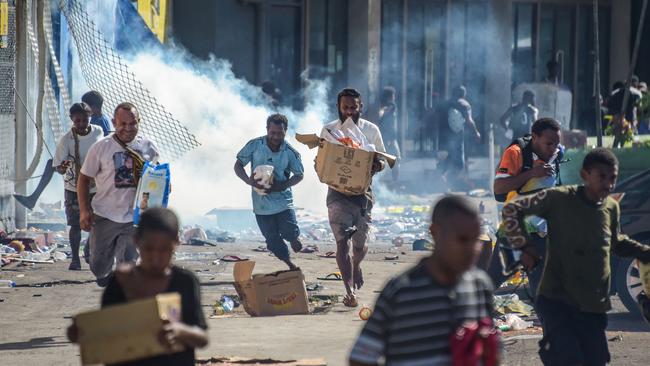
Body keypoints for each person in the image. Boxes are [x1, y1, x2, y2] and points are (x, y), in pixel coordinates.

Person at [502, 148, 650, 366]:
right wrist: (524, 247)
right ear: (585, 175)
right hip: (558, 301)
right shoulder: (560, 198)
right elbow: (513, 210)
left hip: (592, 304)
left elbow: (616, 243)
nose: (609, 184)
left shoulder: (610, 207)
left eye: (613, 178)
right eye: (602, 177)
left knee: (597, 359)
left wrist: (642, 251)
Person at [349, 195, 498, 366]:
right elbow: (361, 357)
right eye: (462, 239)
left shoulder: (480, 286)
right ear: (435, 233)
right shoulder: (401, 291)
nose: (472, 249)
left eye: (475, 240)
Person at [67, 208, 209, 365]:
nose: (155, 258)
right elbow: (106, 331)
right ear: (136, 241)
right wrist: (82, 332)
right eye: (148, 249)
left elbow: (202, 338)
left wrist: (180, 331)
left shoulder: (185, 282)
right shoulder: (121, 282)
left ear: (176, 243)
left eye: (163, 250)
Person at [78, 102, 160, 287]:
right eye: (123, 124)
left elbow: (157, 177)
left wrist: (164, 187)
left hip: (135, 218)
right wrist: (84, 211)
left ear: (139, 122)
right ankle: (94, 250)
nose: (128, 129)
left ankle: (123, 295)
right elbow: (83, 179)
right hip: (105, 215)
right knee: (98, 266)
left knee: (127, 262)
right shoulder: (101, 148)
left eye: (133, 124)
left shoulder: (148, 147)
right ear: (114, 123)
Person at [320, 88, 387, 307]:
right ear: (338, 107)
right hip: (337, 194)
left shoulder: (371, 130)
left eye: (353, 107)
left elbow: (383, 160)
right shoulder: (329, 130)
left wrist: (376, 165)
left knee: (360, 246)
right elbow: (322, 161)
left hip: (363, 195)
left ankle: (356, 265)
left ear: (360, 107)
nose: (349, 112)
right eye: (345, 108)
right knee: (342, 243)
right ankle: (349, 291)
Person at [489, 118, 563, 300]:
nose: (553, 148)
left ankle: (551, 328)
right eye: (549, 143)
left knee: (543, 294)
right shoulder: (515, 153)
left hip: (542, 235)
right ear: (535, 137)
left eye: (557, 143)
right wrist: (532, 173)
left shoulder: (558, 153)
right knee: (490, 283)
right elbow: (498, 188)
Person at [235, 114, 304, 270]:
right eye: (272, 133)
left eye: (279, 133)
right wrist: (248, 180)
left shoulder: (289, 152)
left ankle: (293, 238)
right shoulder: (255, 145)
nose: (275, 137)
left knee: (288, 230)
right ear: (267, 130)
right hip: (261, 204)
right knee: (272, 240)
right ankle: (290, 264)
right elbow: (238, 165)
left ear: (285, 132)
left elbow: (299, 175)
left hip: (282, 201)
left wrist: (282, 185)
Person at [53, 102, 104, 270]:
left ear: (90, 118)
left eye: (84, 120)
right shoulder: (66, 140)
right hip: (73, 187)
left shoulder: (98, 132)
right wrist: (63, 166)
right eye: (77, 121)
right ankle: (75, 259)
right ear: (72, 120)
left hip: (96, 186)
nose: (81, 124)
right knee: (75, 224)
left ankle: (89, 249)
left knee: (97, 221)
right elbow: (59, 168)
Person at [441, 85, 481, 189]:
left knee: (449, 158)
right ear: (463, 94)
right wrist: (476, 132)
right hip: (457, 137)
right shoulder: (464, 104)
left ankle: (441, 174)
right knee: (459, 164)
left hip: (444, 136)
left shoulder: (446, 103)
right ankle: (446, 181)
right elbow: (469, 120)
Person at [607, 80, 642, 148]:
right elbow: (639, 111)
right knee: (631, 143)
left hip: (617, 122)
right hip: (630, 122)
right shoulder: (637, 93)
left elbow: (611, 109)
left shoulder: (614, 93)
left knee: (617, 143)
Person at [378, 86, 400, 182]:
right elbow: (382, 115)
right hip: (388, 137)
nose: (394, 97)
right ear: (390, 96)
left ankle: (393, 181)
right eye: (393, 95)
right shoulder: (390, 106)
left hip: (390, 137)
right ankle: (380, 182)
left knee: (394, 159)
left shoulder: (390, 106)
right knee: (393, 159)